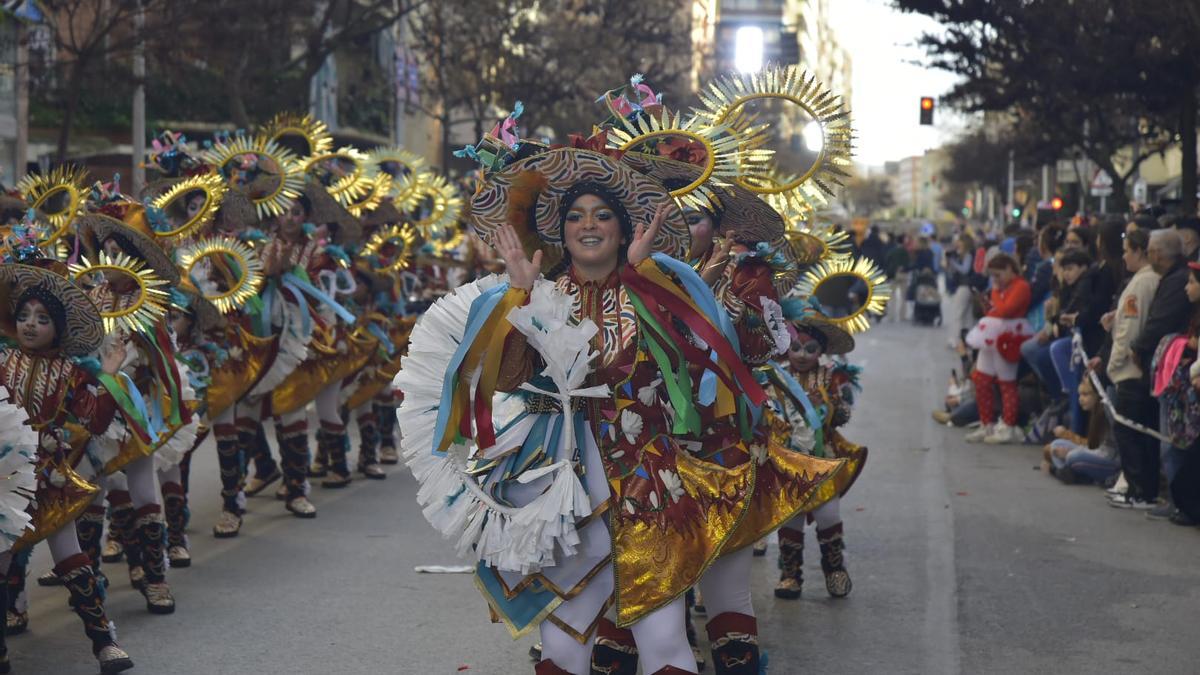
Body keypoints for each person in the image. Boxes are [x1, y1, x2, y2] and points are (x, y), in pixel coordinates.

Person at [397, 147, 775, 675]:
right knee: (565, 647)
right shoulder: (543, 294)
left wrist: (645, 278)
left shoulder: (656, 292)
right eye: (576, 216)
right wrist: (520, 297)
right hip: (563, 502)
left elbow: (692, 379)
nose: (588, 225)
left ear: (623, 231)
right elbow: (508, 380)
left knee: (664, 642)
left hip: (646, 490)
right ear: (561, 232)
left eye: (603, 216)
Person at [0, 263, 137, 673]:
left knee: (71, 558)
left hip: (51, 478)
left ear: (58, 328)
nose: (30, 325)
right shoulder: (4, 363)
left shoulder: (72, 373)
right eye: (24, 317)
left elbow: (94, 422)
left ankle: (104, 643)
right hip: (6, 480)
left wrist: (109, 377)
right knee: (2, 561)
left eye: (42, 319)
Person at [1117, 229, 1190, 510]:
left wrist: (1138, 347)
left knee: (1157, 436)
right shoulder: (1168, 279)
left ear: (1156, 253)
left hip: (1166, 366)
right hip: (1161, 365)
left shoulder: (1172, 281)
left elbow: (1158, 321)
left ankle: (1158, 495)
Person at [1103, 228, 1160, 508]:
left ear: (1139, 251)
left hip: (1130, 371)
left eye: (1127, 250)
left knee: (1128, 431)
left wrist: (1113, 365)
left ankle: (1138, 490)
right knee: (1139, 432)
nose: (1124, 256)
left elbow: (1129, 329)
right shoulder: (1147, 281)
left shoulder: (1141, 284)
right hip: (1140, 371)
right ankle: (1140, 489)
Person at [965, 254, 1032, 444]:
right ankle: (987, 423)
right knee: (982, 380)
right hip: (991, 334)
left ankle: (1008, 426)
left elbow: (1005, 310)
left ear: (1010, 269)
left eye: (998, 275)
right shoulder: (1005, 286)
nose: (996, 280)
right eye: (993, 276)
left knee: (1006, 382)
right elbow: (996, 311)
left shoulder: (1021, 286)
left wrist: (994, 294)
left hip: (1008, 335)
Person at [1043, 377, 1120, 485]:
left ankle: (1064, 472)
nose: (1080, 399)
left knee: (1072, 457)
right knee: (1056, 445)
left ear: (1097, 395)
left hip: (1111, 460)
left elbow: (1105, 451)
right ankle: (1075, 475)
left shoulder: (1105, 412)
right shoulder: (1092, 413)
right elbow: (1092, 447)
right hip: (1097, 453)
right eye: (1079, 395)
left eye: (1085, 394)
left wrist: (1069, 449)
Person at [944, 234, 976, 349]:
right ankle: (969, 340)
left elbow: (965, 270)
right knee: (967, 316)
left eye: (959, 241)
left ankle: (955, 340)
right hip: (966, 287)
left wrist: (953, 262)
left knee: (957, 314)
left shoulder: (967, 255)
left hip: (964, 286)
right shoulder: (962, 255)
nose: (957, 243)